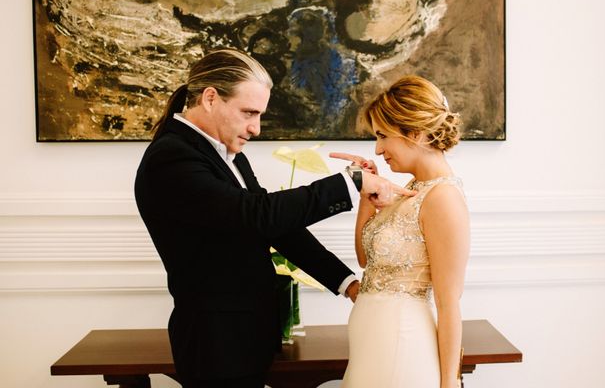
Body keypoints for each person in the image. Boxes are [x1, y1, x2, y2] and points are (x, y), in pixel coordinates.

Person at [134, 47, 413, 388]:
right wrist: (349, 183)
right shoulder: (172, 157)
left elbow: (277, 228)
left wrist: (346, 283)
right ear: (210, 98)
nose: (256, 128)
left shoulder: (224, 154)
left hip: (244, 341)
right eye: (249, 112)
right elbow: (256, 216)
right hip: (215, 347)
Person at [332, 75, 470, 388]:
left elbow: (450, 305)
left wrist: (449, 384)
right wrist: (367, 194)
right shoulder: (412, 189)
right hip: (373, 349)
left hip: (402, 347)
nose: (378, 149)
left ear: (415, 133)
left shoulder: (443, 198)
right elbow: (366, 260)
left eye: (383, 136)